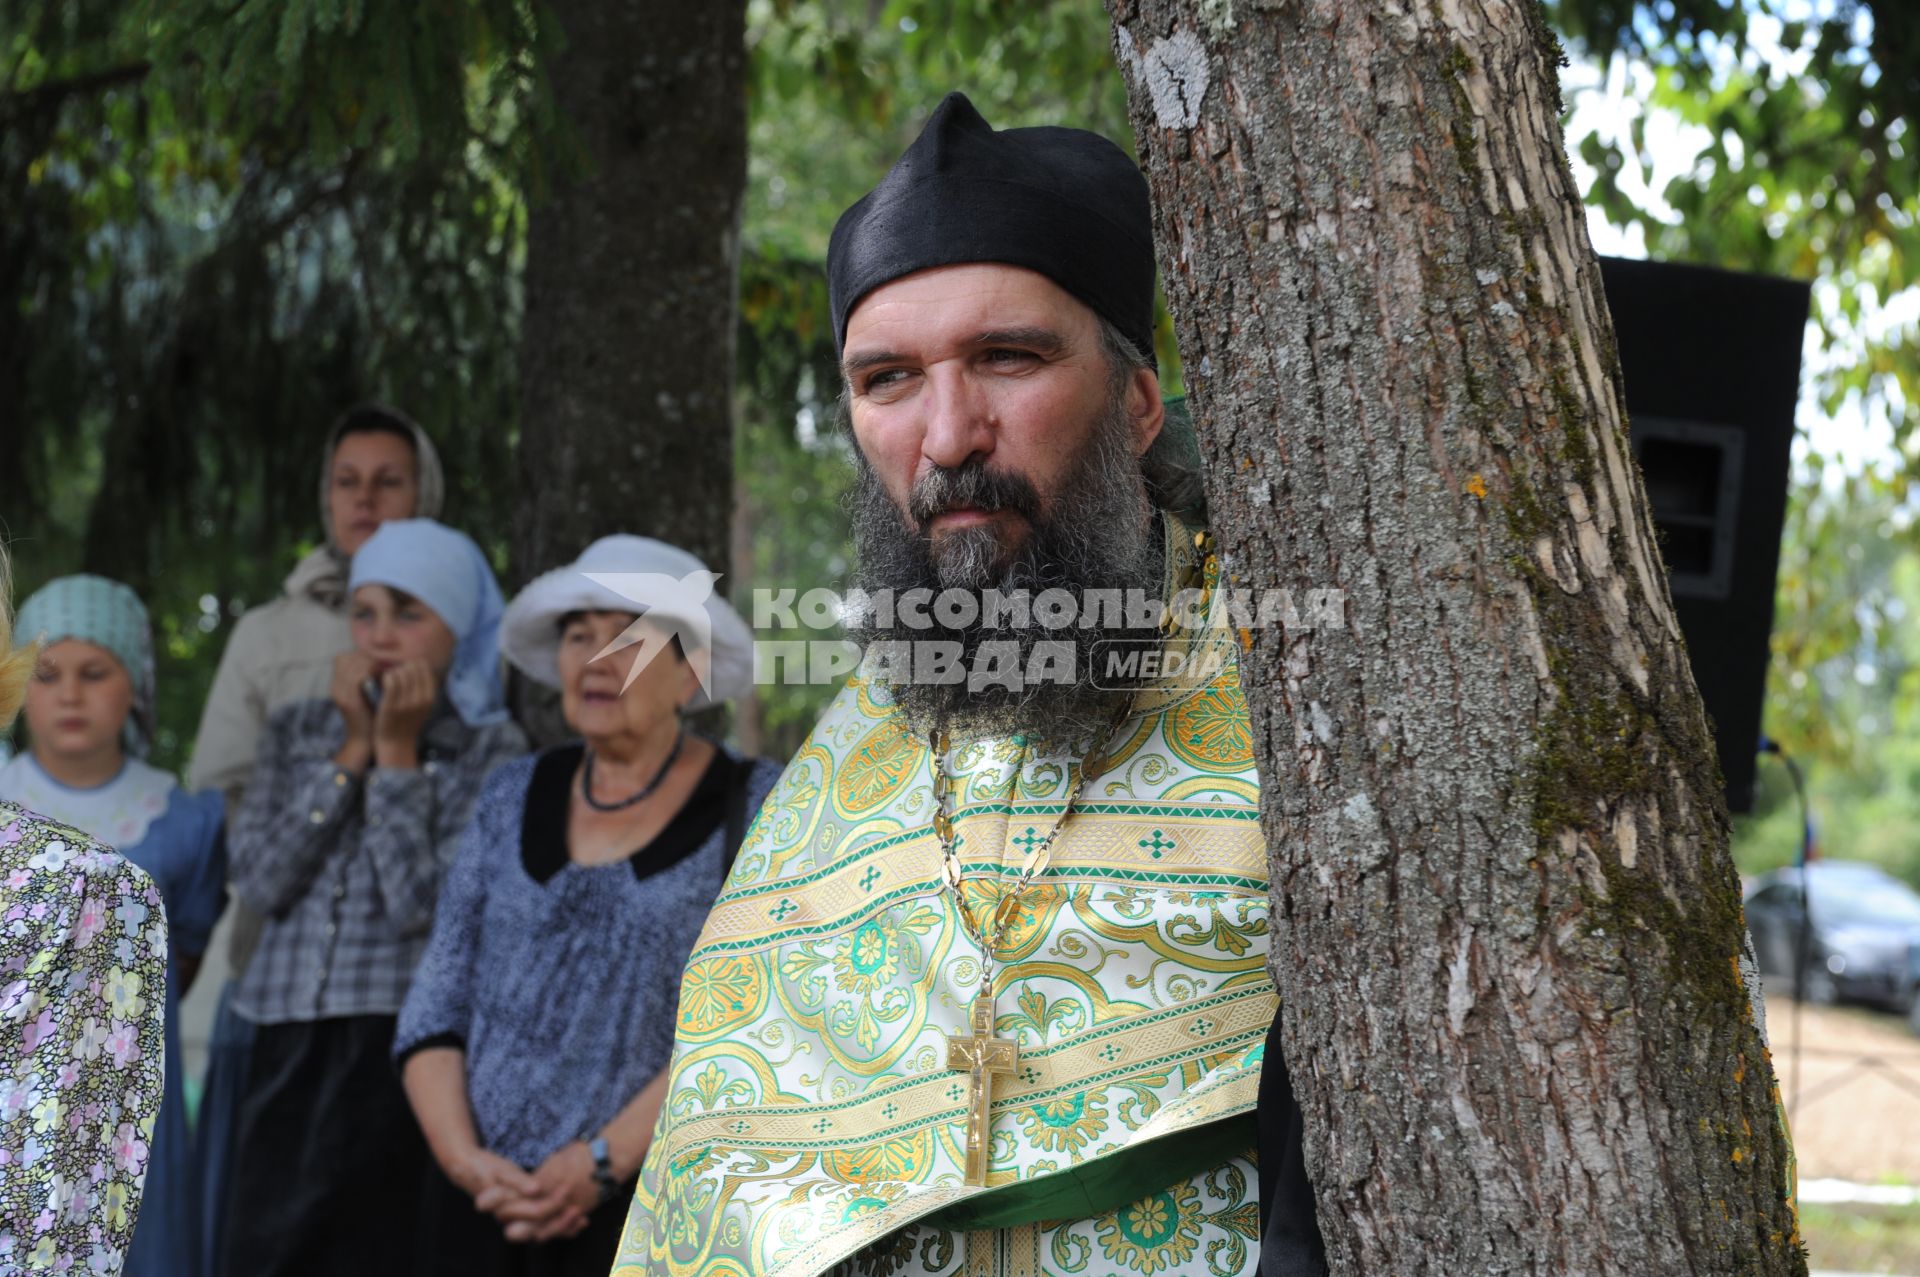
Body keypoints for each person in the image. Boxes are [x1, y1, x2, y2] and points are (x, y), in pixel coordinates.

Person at [612, 92, 1299, 1277]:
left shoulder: (1286, 690)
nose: (948, 435)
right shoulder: (846, 754)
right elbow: (727, 1162)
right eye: (888, 380)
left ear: (1139, 403)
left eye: (1007, 357)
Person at [395, 535, 780, 1276]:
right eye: (579, 635)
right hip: (474, 1209)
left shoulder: (757, 804)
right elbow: (436, 1000)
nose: (597, 658)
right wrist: (468, 1161)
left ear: (688, 670)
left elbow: (755, 1021)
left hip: (645, 1217)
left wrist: (603, 1162)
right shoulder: (511, 792)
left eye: (629, 637)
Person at [217, 519, 526, 1277]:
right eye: (365, 612)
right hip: (281, 1036)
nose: (381, 635)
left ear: (458, 627)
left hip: (403, 1051)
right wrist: (351, 750)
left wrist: (395, 755)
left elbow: (420, 908)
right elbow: (258, 880)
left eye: (410, 613)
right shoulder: (298, 730)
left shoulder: (494, 749)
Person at [189, 402, 444, 1270]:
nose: (365, 500)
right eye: (347, 481)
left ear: (426, 494)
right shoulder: (270, 634)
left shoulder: (462, 626)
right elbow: (221, 797)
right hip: (278, 977)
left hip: (408, 993)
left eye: (389, 481)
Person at [0, 575, 227, 1277]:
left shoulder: (182, 818)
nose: (69, 693)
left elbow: (182, 956)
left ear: (135, 682)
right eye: (47, 673)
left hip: (129, 1110)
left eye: (94, 672)